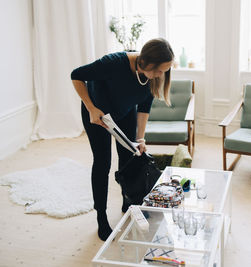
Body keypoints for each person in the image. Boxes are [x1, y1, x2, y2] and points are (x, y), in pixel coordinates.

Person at [70, 38, 174, 241]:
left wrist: (140, 138)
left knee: (129, 158)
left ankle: (129, 202)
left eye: (165, 71)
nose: (162, 75)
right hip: (98, 114)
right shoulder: (113, 63)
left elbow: (144, 107)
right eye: (160, 70)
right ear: (147, 63)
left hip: (125, 112)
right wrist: (91, 108)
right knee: (103, 162)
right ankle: (101, 215)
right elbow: (76, 75)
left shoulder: (153, 76)